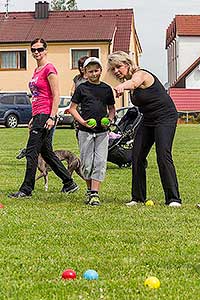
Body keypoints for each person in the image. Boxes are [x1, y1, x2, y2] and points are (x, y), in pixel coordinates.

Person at [107, 51, 182, 207]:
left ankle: (173, 199)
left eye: (118, 66)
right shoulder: (129, 81)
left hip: (165, 118)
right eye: (113, 69)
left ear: (127, 64)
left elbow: (134, 83)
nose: (116, 71)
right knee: (137, 156)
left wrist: (121, 86)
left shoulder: (141, 74)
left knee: (163, 155)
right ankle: (138, 197)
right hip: (147, 120)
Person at [9, 38, 78, 198]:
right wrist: (34, 117)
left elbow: (56, 95)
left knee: (31, 152)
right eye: (33, 50)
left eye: (39, 49)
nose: (36, 52)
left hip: (46, 114)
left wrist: (52, 117)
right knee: (47, 153)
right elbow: (37, 96)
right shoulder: (36, 70)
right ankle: (69, 183)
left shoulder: (49, 69)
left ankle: (26, 189)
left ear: (46, 50)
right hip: (39, 115)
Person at [69, 57, 116, 206]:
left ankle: (95, 193)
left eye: (96, 70)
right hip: (85, 132)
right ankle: (90, 190)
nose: (94, 74)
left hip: (102, 132)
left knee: (100, 161)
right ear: (84, 72)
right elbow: (72, 108)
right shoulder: (82, 89)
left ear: (101, 71)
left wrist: (109, 119)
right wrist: (82, 122)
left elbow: (112, 109)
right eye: (90, 71)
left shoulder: (107, 89)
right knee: (87, 163)